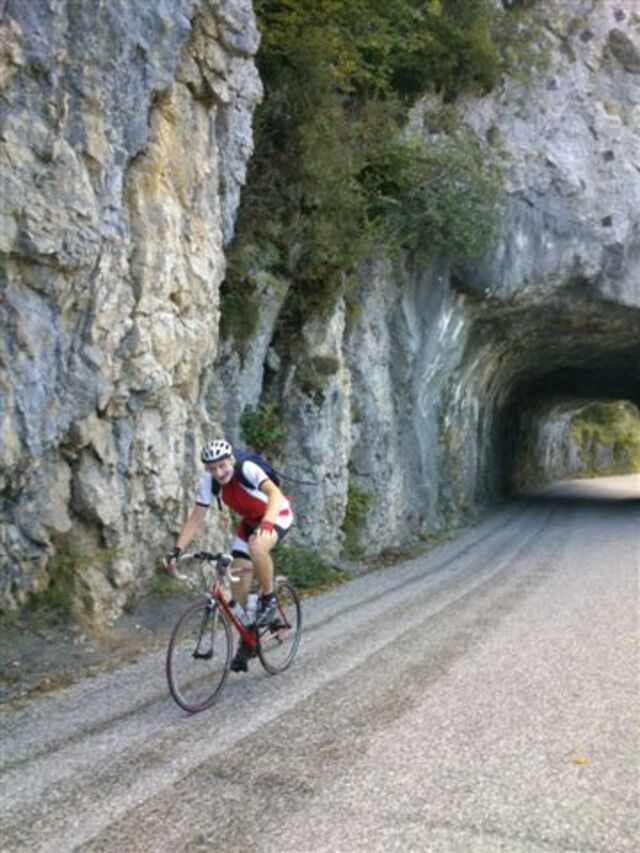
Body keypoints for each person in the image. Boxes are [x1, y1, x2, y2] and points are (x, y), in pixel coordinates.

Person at [164, 438, 293, 672]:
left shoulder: (247, 470)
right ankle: (249, 640)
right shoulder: (209, 482)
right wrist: (177, 550)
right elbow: (196, 517)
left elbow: (274, 495)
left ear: (231, 460)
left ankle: (269, 598)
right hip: (250, 524)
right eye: (212, 468)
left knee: (257, 547)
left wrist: (267, 523)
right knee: (237, 586)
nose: (219, 472)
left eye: (222, 466)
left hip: (277, 514)